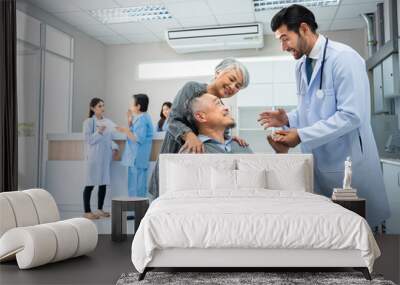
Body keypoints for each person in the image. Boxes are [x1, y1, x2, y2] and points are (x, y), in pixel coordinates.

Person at [258, 4, 390, 228]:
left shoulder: (344, 59)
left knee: (358, 233)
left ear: (303, 28)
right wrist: (288, 119)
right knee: (328, 232)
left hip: (348, 165)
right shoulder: (301, 66)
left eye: (285, 38)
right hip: (319, 162)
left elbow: (351, 115)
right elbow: (311, 110)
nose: (283, 46)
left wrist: (300, 135)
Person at [149, 58, 250, 197]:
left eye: (238, 86)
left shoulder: (221, 109)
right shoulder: (192, 89)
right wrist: (189, 135)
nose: (233, 87)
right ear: (218, 72)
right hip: (175, 161)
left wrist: (229, 139)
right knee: (164, 205)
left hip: (198, 173)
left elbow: (217, 136)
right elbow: (173, 119)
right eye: (232, 79)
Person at [183, 91, 252, 153]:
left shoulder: (242, 145)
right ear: (201, 117)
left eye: (222, 104)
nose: (226, 108)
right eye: (218, 103)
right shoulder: (192, 151)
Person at [82, 98, 117, 219]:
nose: (102, 108)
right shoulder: (88, 122)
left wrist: (114, 148)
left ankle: (99, 209)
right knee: (90, 183)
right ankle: (87, 211)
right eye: (99, 106)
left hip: (105, 157)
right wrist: (99, 132)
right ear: (92, 108)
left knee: (103, 183)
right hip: (93, 157)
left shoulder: (108, 122)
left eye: (103, 105)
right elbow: (89, 140)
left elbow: (111, 137)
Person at [117, 94, 154, 198]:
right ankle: (135, 211)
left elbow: (138, 139)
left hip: (137, 158)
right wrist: (129, 121)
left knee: (137, 187)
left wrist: (126, 130)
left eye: (132, 104)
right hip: (136, 158)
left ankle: (136, 212)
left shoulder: (142, 119)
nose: (130, 107)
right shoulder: (141, 118)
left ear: (138, 106)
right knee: (136, 186)